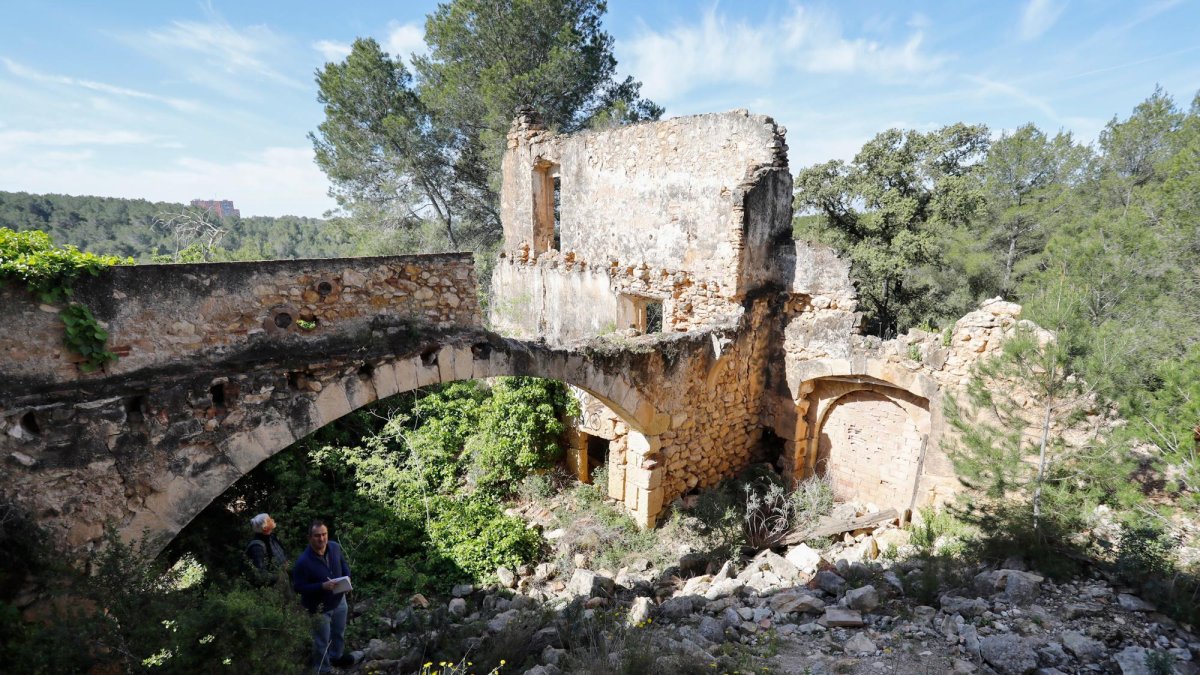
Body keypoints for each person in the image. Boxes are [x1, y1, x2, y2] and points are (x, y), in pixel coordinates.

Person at [292, 520, 353, 672]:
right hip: (319, 607)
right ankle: (323, 669)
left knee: (338, 632)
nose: (321, 538)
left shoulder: (334, 547)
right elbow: (298, 587)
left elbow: (343, 564)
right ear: (309, 538)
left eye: (324, 534)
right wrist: (321, 586)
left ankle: (336, 657)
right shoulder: (303, 562)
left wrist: (347, 577)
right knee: (321, 641)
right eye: (317, 535)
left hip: (339, 600)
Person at [245, 513, 288, 585]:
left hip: (283, 576)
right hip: (274, 584)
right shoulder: (257, 547)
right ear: (264, 527)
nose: (272, 521)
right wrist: (278, 577)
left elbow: (280, 551)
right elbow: (261, 574)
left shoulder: (272, 536)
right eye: (269, 520)